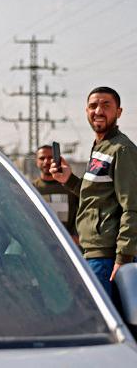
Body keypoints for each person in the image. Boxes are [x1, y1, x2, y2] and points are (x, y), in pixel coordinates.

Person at [51, 86, 137, 297]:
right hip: (93, 252)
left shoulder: (121, 149)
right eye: (93, 106)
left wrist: (123, 259)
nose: (98, 110)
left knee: (106, 323)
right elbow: (97, 198)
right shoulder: (101, 147)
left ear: (118, 112)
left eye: (106, 105)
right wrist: (68, 180)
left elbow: (133, 207)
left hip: (109, 257)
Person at [33, 144, 78, 241]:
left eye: (50, 157)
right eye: (42, 158)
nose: (46, 161)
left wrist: (76, 237)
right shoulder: (31, 189)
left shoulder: (71, 187)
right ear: (36, 161)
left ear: (58, 159)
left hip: (68, 245)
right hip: (41, 244)